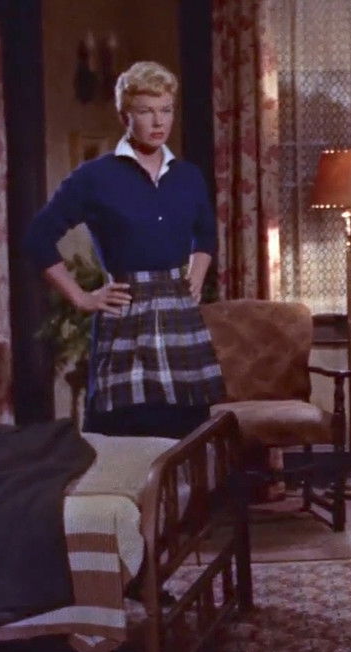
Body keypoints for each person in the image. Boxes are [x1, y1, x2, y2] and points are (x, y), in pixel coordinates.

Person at [23, 61, 223, 439]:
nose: (158, 121)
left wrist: (196, 276)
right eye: (146, 111)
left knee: (188, 432)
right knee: (127, 429)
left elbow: (206, 235)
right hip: (127, 315)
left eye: (166, 110)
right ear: (124, 116)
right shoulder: (94, 178)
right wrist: (81, 297)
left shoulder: (188, 176)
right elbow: (38, 238)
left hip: (180, 315)